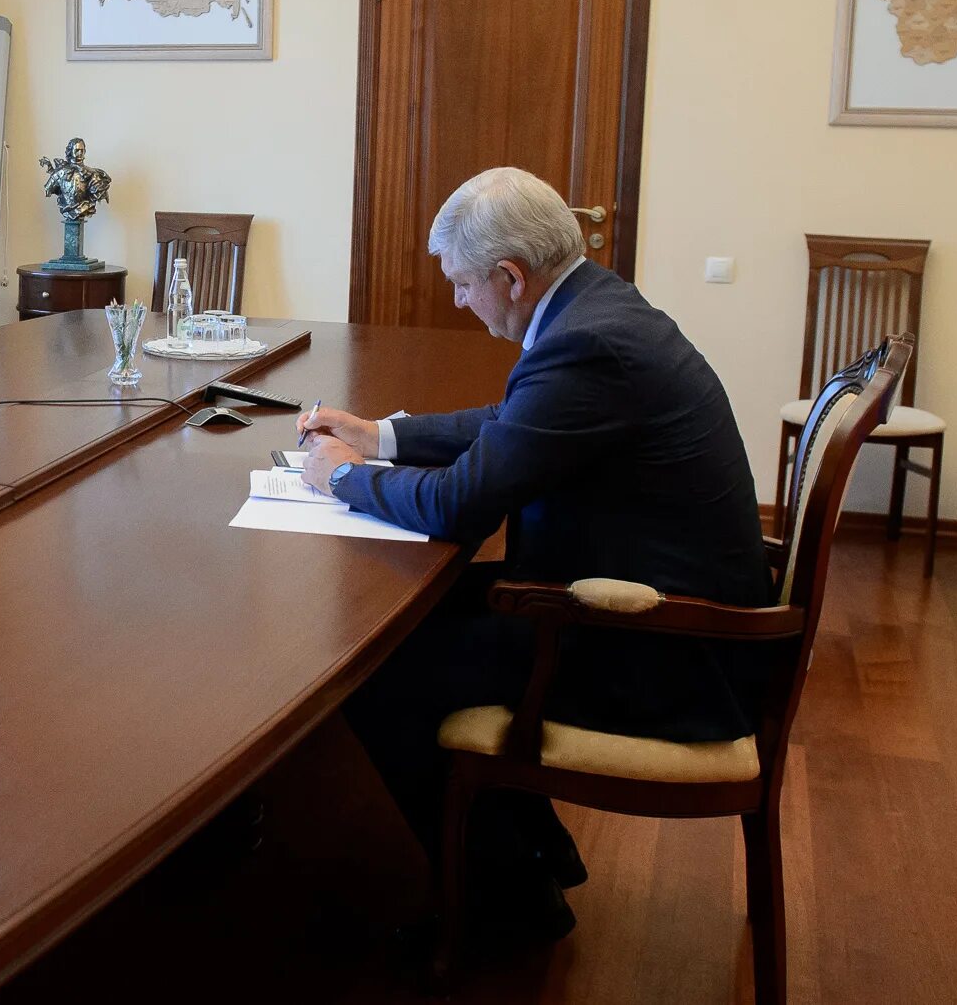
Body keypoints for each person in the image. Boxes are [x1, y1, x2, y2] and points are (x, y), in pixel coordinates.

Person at [297, 166, 764, 945]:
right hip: (655, 603)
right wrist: (381, 434)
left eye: (462, 284)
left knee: (375, 668)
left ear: (511, 276)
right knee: (417, 620)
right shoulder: (596, 306)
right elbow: (513, 421)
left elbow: (456, 503)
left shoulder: (587, 345)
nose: (457, 300)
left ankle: (503, 904)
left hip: (659, 652)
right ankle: (530, 860)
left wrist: (342, 474)